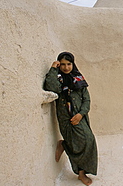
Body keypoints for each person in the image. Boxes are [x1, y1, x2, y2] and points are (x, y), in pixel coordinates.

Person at [44, 52, 98, 185]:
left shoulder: (78, 78)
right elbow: (51, 87)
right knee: (75, 146)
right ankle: (80, 173)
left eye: (69, 64)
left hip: (80, 116)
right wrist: (53, 69)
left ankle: (64, 145)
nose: (66, 67)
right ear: (59, 65)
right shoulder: (57, 78)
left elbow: (87, 99)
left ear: (73, 64)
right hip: (65, 118)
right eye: (62, 64)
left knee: (89, 140)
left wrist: (81, 114)